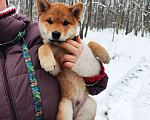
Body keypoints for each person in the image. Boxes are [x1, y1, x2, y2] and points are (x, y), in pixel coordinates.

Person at [0, 0, 108, 120]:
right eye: (50, 22)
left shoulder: (34, 34)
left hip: (83, 99)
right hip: (66, 104)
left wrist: (91, 66)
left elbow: (99, 85)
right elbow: (54, 69)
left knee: (91, 105)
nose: (56, 29)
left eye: (65, 23)